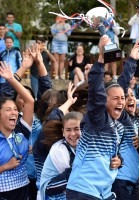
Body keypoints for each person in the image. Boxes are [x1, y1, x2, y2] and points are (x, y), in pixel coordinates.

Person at [66, 37, 139, 200]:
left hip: (104, 192)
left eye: (122, 99)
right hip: (83, 190)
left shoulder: (120, 125)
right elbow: (96, 91)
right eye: (115, 99)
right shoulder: (97, 118)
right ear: (104, 101)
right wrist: (101, 59)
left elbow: (120, 87)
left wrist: (119, 160)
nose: (121, 101)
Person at [0, 61, 34, 200]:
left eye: (15, 109)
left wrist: (11, 79)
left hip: (24, 189)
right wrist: (5, 166)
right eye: (8, 110)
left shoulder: (22, 131)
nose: (14, 112)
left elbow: (30, 101)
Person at [40, 111, 83, 200]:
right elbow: (78, 175)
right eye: (68, 130)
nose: (73, 134)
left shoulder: (86, 145)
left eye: (76, 129)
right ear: (63, 132)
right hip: (51, 190)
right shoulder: (59, 149)